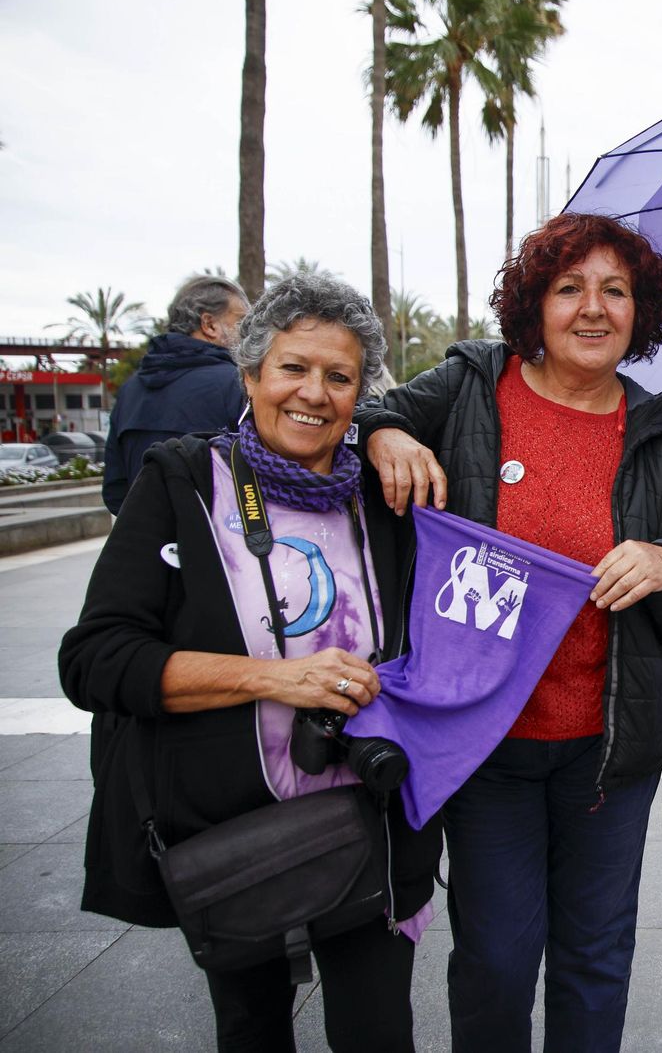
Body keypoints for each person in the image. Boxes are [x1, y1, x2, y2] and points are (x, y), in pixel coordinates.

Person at [356, 212, 662, 1053]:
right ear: (535, 305)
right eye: (568, 288)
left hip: (609, 753)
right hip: (486, 747)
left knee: (596, 959)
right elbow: (362, 413)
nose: (593, 308)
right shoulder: (469, 386)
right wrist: (387, 435)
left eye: (615, 291)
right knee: (496, 960)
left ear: (639, 312)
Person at [58, 273, 442, 1052]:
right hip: (235, 833)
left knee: (379, 1033)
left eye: (340, 377)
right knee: (252, 1031)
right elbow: (95, 659)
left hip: (373, 822)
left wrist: (385, 431)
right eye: (293, 368)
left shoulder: (386, 492)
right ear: (250, 374)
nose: (314, 393)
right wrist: (275, 679)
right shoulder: (182, 481)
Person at [103, 274, 250, 514]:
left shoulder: (130, 390)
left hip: (144, 533)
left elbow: (115, 490)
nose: (248, 333)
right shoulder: (237, 383)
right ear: (209, 325)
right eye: (241, 322)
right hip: (216, 535)